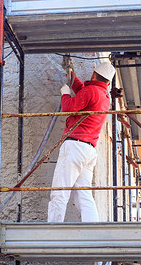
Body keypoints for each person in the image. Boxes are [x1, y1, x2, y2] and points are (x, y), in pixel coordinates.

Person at [47, 61, 115, 223]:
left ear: (93, 75)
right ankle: (93, 231)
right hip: (89, 151)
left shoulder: (91, 91)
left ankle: (51, 233)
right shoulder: (104, 97)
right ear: (109, 83)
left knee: (60, 192)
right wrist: (72, 76)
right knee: (84, 195)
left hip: (74, 147)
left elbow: (69, 107)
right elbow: (84, 93)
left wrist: (65, 93)